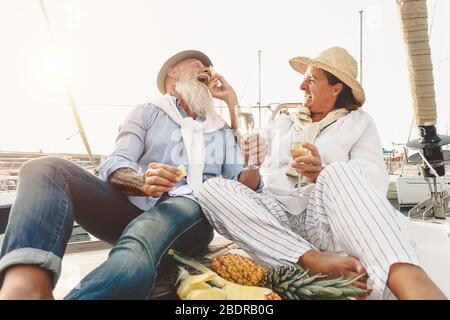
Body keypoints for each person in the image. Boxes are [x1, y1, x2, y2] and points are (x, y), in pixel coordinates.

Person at [0, 50, 264, 300]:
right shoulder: (147, 111)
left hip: (191, 210)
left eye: (207, 66)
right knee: (44, 169)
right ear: (173, 74)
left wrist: (235, 110)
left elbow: (243, 186)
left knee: (140, 240)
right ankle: (27, 288)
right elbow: (117, 162)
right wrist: (142, 182)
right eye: (196, 63)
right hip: (133, 205)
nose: (205, 68)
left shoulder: (221, 131)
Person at [198, 47, 446, 300]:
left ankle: (407, 276)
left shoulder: (358, 123)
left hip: (325, 218)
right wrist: (252, 150)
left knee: (338, 172)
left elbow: (374, 183)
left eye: (311, 79)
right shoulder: (284, 121)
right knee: (212, 190)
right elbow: (249, 149)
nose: (302, 86)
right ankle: (310, 259)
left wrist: (321, 172)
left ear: (336, 88)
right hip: (276, 216)